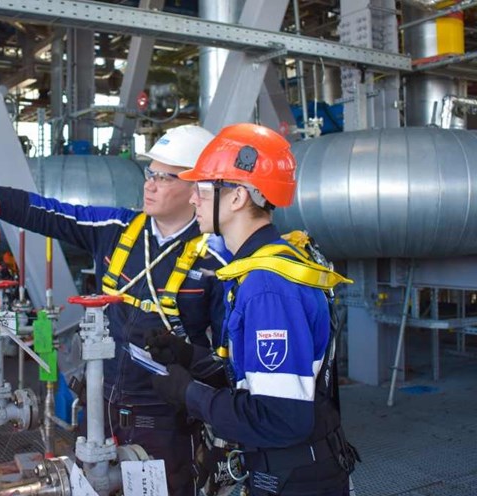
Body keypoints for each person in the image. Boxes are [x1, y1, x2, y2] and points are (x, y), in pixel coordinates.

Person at [0, 125, 226, 495]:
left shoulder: (216, 258)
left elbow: (226, 359)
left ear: (198, 188)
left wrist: (195, 387)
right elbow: (46, 212)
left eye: (165, 177)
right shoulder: (115, 229)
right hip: (101, 406)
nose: (150, 184)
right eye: (150, 173)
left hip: (165, 419)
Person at [149, 123, 360, 495]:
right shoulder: (264, 264)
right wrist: (191, 358)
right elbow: (261, 378)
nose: (193, 200)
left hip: (295, 478)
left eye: (201, 189)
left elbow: (281, 417)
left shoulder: (267, 286)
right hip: (297, 466)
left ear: (237, 198)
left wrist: (189, 395)